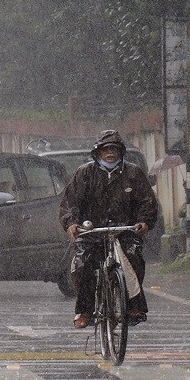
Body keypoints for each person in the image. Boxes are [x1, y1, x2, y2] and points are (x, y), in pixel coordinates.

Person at [58, 129, 159, 330]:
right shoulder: (84, 174)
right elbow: (70, 203)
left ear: (121, 152)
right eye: (106, 149)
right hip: (92, 232)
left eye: (114, 149)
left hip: (126, 231)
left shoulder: (133, 174)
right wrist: (71, 223)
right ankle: (85, 310)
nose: (110, 153)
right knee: (82, 264)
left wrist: (144, 222)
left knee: (134, 260)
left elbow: (147, 202)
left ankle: (134, 308)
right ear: (98, 153)